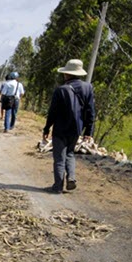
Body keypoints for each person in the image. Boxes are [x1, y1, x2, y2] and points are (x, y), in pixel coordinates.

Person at [43, 59, 96, 194]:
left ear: (67, 74)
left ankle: (58, 186)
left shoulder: (60, 90)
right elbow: (91, 111)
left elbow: (52, 112)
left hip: (60, 128)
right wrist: (88, 131)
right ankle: (71, 177)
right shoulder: (88, 88)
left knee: (59, 157)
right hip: (77, 128)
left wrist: (47, 128)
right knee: (70, 154)